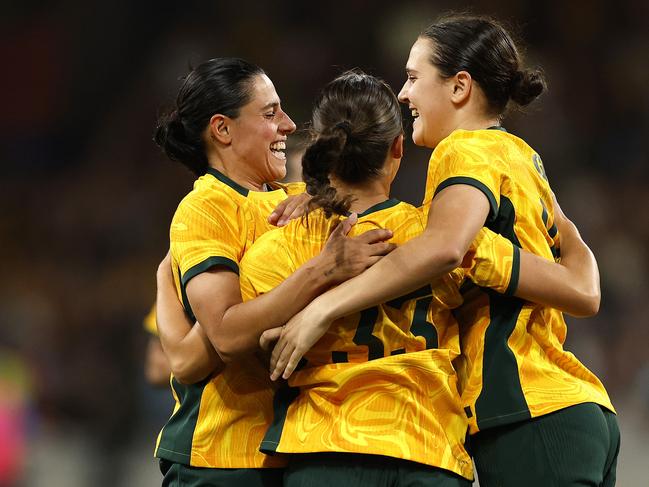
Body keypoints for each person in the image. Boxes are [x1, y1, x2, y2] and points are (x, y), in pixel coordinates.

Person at [269, 15, 618, 487]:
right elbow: (585, 287)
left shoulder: (461, 151)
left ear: (459, 87)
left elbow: (442, 248)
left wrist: (322, 308)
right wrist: (327, 192)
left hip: (526, 413)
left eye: (413, 77)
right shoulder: (522, 158)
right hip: (574, 407)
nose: (403, 94)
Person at [152, 57, 394, 486]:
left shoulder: (299, 199)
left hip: (298, 446)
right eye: (269, 113)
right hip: (223, 455)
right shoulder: (205, 208)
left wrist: (322, 198)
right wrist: (321, 271)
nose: (287, 124)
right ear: (222, 129)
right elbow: (224, 334)